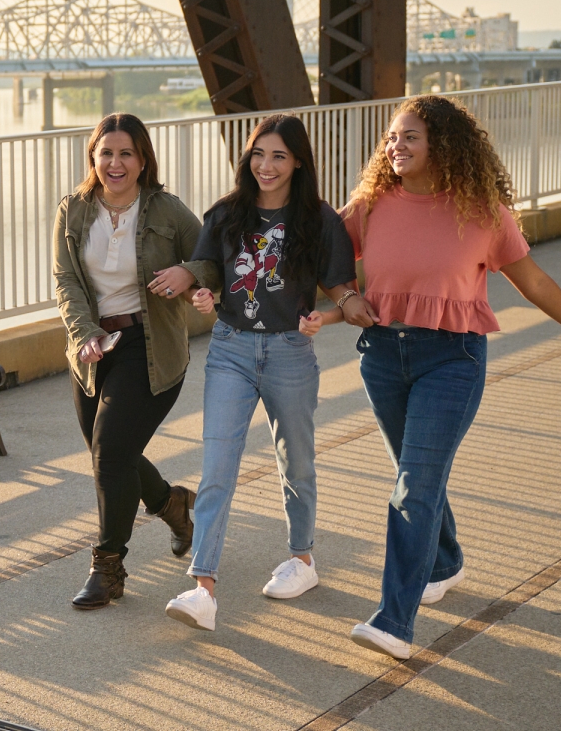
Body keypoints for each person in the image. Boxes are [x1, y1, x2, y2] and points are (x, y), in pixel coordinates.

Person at [341, 95, 561, 660]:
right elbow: (322, 261)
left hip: (452, 360)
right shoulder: (369, 206)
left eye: (411, 137)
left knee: (414, 486)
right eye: (392, 138)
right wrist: (344, 296)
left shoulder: (482, 212)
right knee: (415, 474)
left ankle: (395, 619)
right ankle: (444, 562)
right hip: (382, 357)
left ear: (442, 144)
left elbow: (534, 281)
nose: (396, 147)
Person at [159, 114, 367, 633]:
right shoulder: (226, 213)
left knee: (295, 462)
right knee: (217, 467)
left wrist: (338, 308)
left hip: (290, 351)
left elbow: (338, 284)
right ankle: (203, 587)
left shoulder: (319, 220)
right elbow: (204, 277)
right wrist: (200, 294)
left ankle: (302, 560)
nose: (266, 166)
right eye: (258, 154)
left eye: (278, 156)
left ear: (298, 161)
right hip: (230, 347)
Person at [53, 113, 212, 609]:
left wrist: (189, 273)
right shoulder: (74, 211)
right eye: (106, 153)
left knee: (110, 452)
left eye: (126, 154)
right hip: (92, 350)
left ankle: (108, 568)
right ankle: (174, 506)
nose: (116, 163)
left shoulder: (167, 210)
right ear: (93, 158)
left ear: (143, 159)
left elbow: (212, 257)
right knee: (111, 455)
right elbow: (67, 283)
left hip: (150, 347)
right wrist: (86, 333)